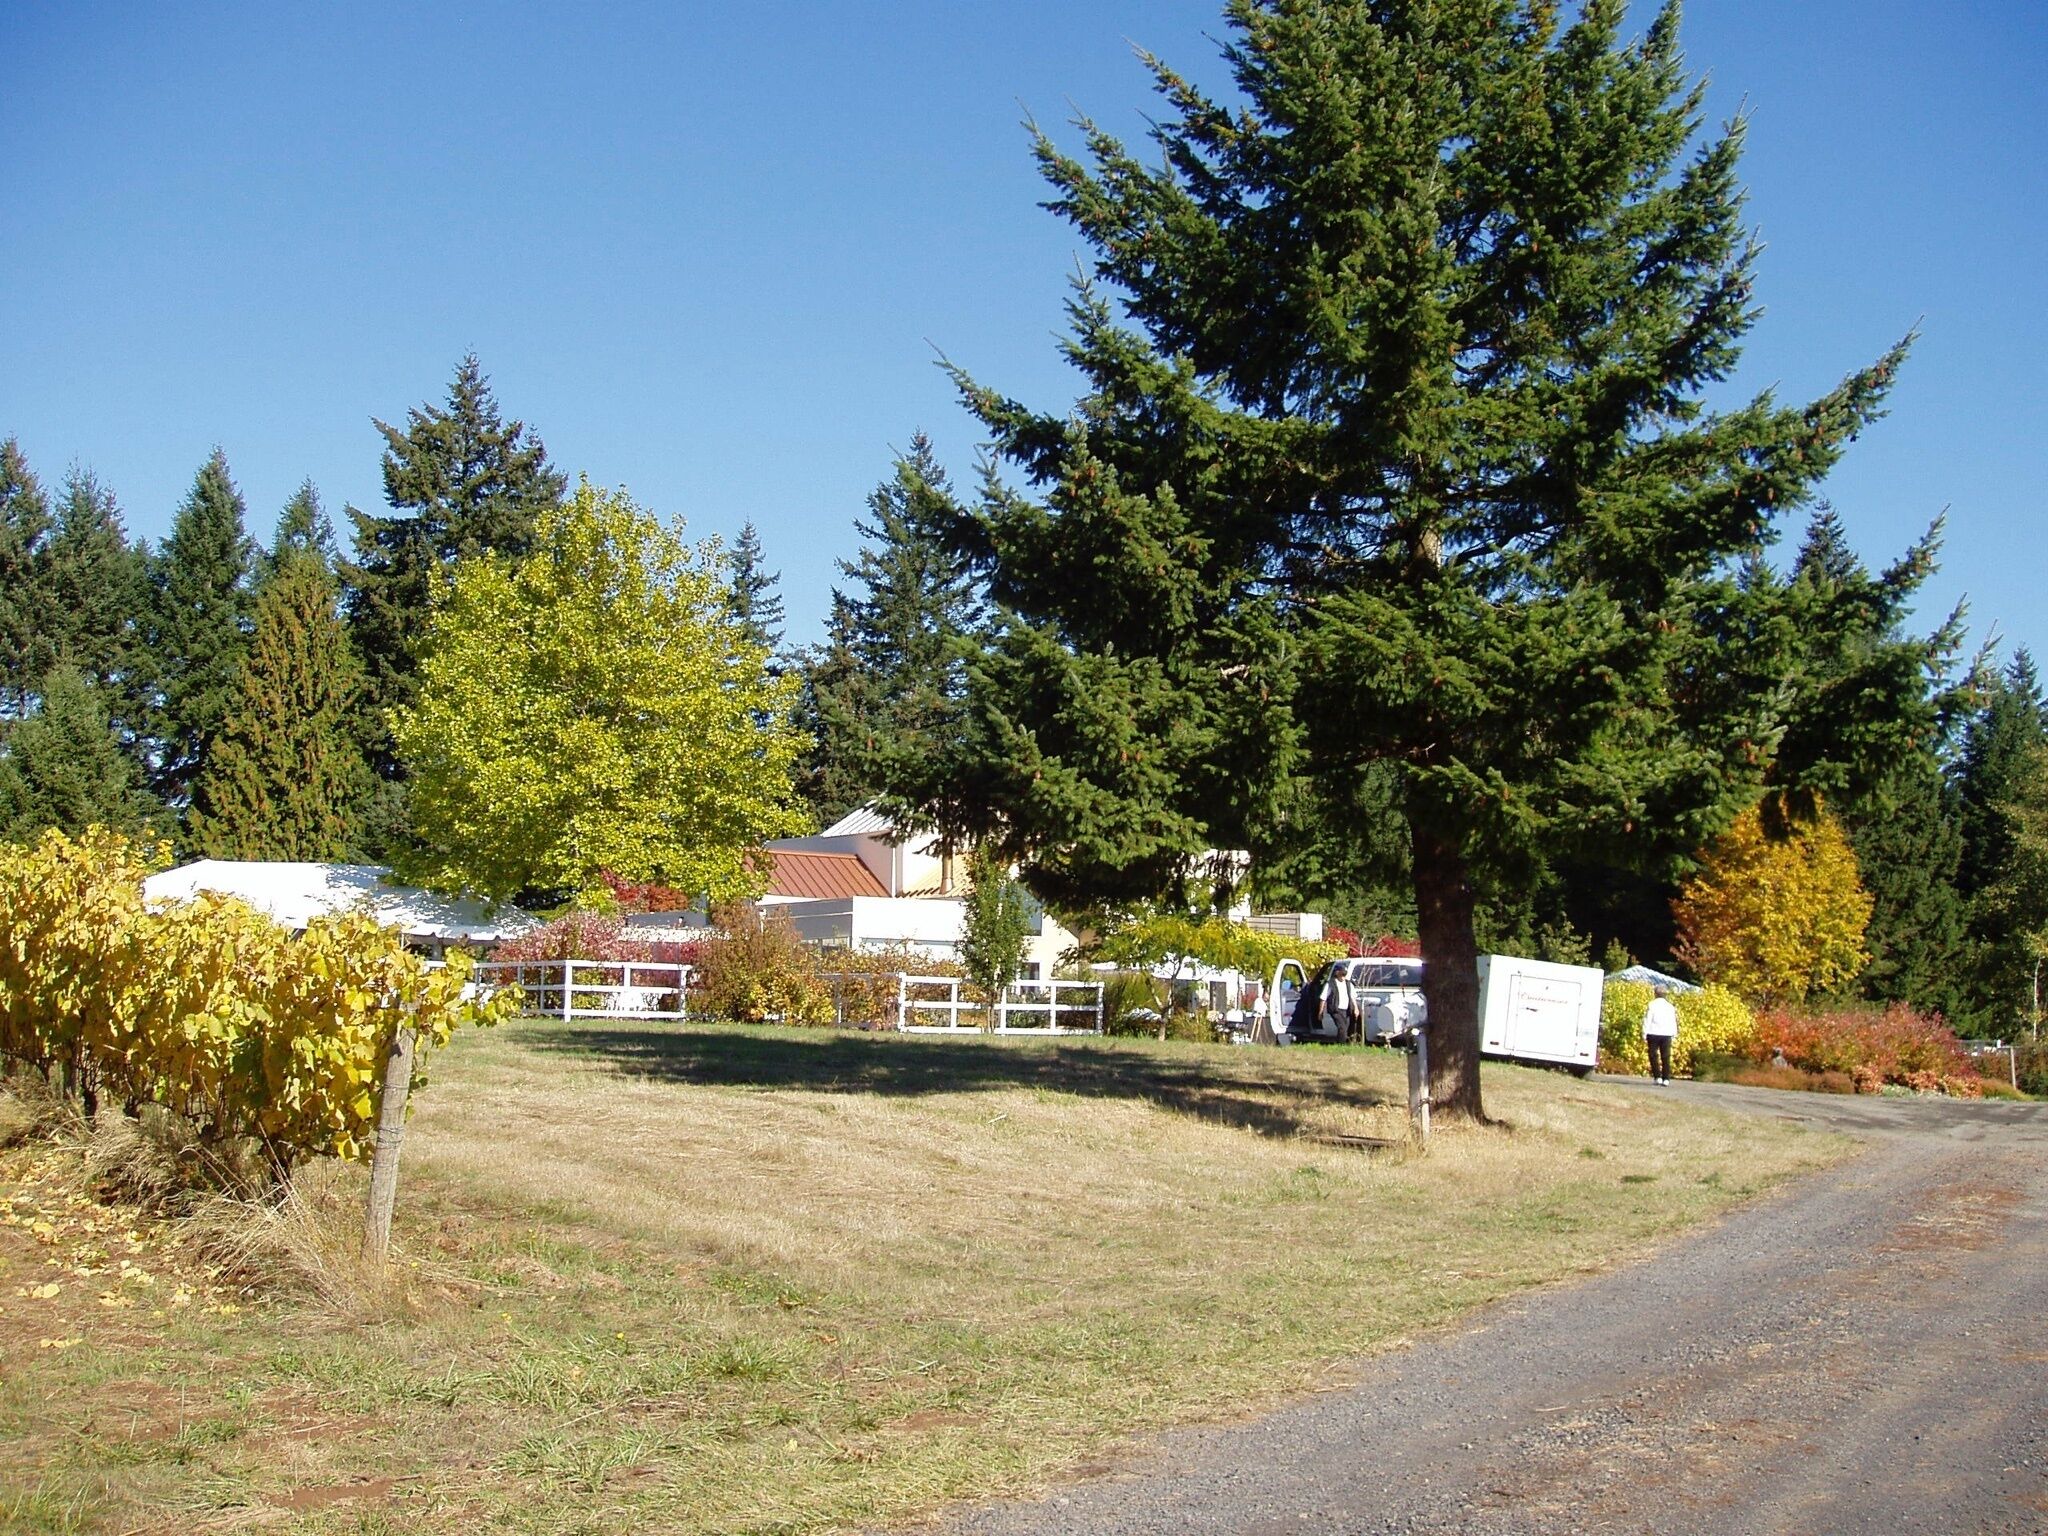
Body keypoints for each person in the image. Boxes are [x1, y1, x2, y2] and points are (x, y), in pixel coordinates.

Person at [1643, 984, 1679, 1084]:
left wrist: (1644, 1032)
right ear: (1665, 995)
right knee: (1666, 1056)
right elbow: (1673, 1021)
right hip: (1666, 1033)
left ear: (1655, 994)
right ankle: (1666, 1078)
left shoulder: (1652, 1005)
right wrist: (1674, 1033)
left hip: (1653, 1032)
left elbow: (1647, 1019)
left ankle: (1657, 1076)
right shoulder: (1670, 1007)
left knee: (1653, 1055)